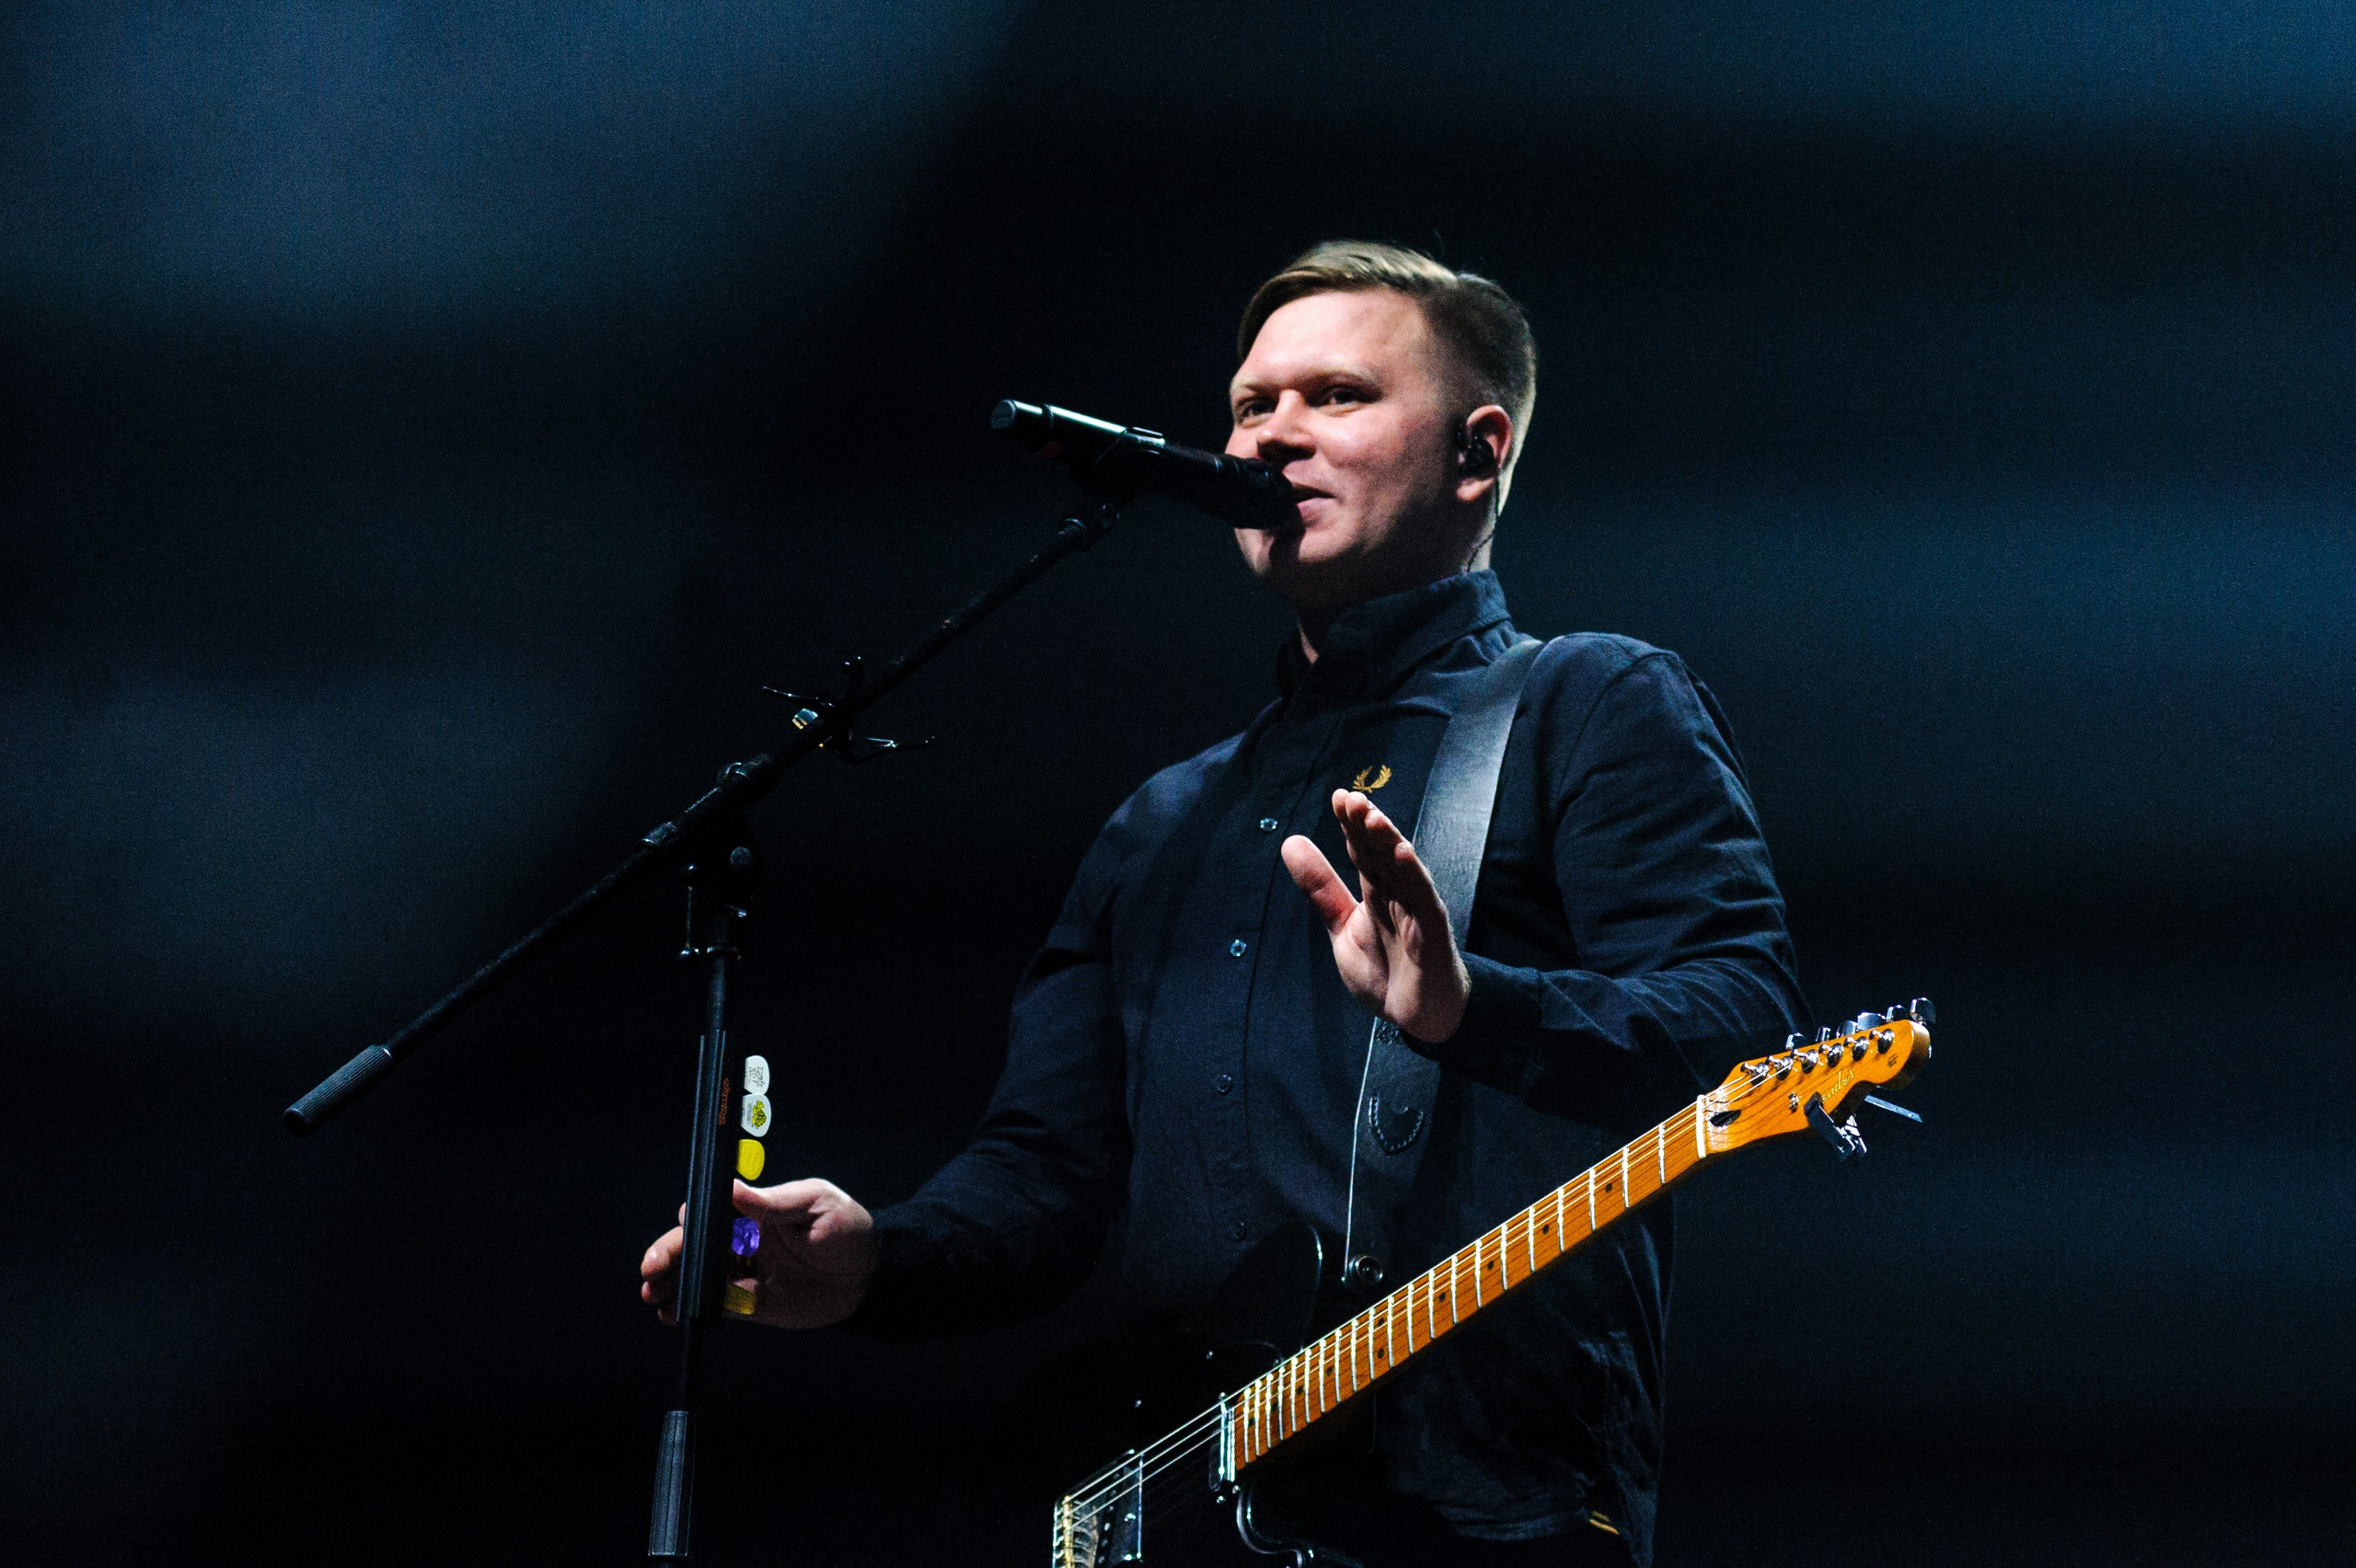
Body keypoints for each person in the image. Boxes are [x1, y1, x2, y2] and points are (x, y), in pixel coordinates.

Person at [641, 242, 1807, 1566]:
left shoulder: (1586, 703)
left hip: (1478, 1508)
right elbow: (1047, 1171)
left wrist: (1477, 1010)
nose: (1273, 437)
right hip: (1188, 1509)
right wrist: (879, 1259)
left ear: (1478, 453)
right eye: (1252, 406)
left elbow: (1747, 1022)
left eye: (1337, 397)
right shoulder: (1163, 820)